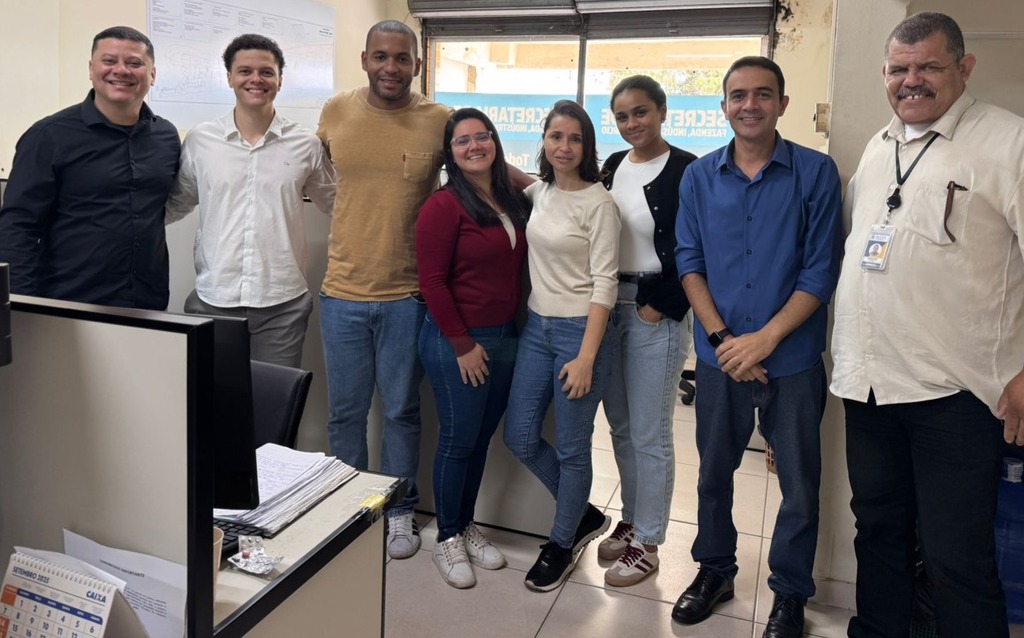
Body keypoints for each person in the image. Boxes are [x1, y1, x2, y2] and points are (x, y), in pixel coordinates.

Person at [831, 12, 1022, 637]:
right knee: (878, 531)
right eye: (899, 69)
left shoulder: (1007, 142)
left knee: (956, 556)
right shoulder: (878, 147)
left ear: (964, 68)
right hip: (868, 385)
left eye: (929, 67)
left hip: (956, 394)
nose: (911, 80)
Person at [671, 56, 842, 638]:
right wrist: (724, 340)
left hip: (791, 360)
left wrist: (764, 339)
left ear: (782, 104)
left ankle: (790, 594)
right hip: (720, 360)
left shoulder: (816, 173)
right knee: (713, 474)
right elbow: (689, 262)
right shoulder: (699, 177)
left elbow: (821, 270)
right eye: (738, 95)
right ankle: (715, 571)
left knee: (798, 485)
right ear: (723, 106)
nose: (750, 105)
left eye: (763, 94)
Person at [315, 20, 451, 559]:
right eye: (380, 57)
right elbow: (317, 175)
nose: (390, 68)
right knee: (345, 415)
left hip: (407, 297)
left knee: (400, 412)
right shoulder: (335, 111)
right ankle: (349, 511)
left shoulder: (439, 120)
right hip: (341, 293)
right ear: (365, 60)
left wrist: (548, 192)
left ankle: (398, 511)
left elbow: (480, 167)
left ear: (416, 64)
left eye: (401, 58)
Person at [503, 99, 619, 592]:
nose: (564, 146)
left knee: (573, 448)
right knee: (519, 436)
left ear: (587, 146)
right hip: (537, 328)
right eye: (555, 137)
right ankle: (584, 515)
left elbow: (606, 284)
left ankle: (562, 540)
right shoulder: (542, 191)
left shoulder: (600, 204)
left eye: (575, 138)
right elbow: (510, 174)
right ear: (544, 142)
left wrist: (587, 357)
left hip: (579, 333)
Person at [165, 34, 336, 368]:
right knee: (214, 397)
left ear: (280, 80)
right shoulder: (201, 140)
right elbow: (177, 203)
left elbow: (338, 204)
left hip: (282, 303)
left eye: (266, 72)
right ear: (229, 77)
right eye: (245, 71)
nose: (256, 79)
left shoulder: (305, 144)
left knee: (277, 397)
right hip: (214, 299)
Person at [416, 108, 530, 588]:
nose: (474, 146)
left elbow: (545, 188)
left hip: (505, 336)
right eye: (462, 141)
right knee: (458, 441)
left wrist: (506, 172)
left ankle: (464, 524)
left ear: (495, 142)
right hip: (456, 341)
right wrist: (463, 345)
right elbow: (432, 282)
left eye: (482, 137)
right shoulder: (443, 206)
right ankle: (446, 537)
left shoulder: (510, 199)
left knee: (480, 440)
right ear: (450, 153)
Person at [596, 75, 696, 587]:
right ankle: (632, 519)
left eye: (641, 112)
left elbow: (700, 246)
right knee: (620, 426)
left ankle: (650, 542)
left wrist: (661, 307)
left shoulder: (688, 169)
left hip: (654, 308)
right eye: (622, 116)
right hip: (609, 304)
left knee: (650, 432)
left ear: (662, 111)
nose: (631, 123)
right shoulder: (613, 166)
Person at [0, 26, 180, 310]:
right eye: (109, 61)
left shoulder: (167, 137)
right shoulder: (49, 136)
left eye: (134, 63)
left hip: (148, 303)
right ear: (91, 68)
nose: (121, 70)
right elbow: (18, 226)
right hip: (68, 304)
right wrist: (22, 304)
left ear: (152, 74)